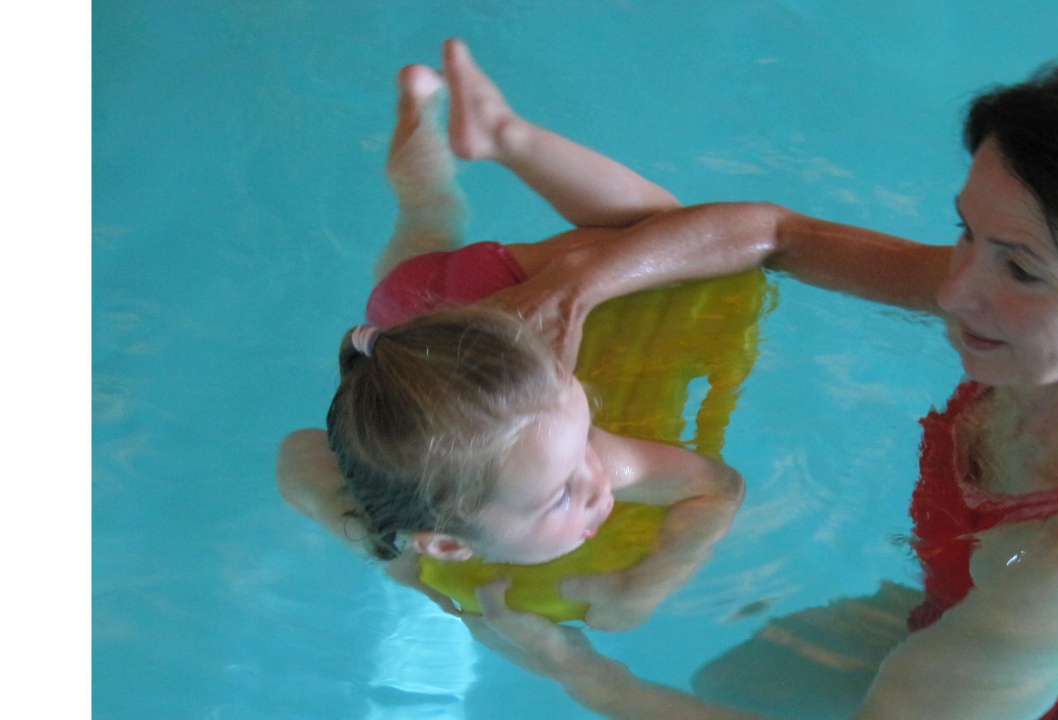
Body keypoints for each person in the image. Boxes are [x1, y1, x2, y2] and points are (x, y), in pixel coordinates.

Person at [464, 59, 1058, 720]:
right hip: (967, 627)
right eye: (966, 232)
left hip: (1036, 690)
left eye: (1021, 269)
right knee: (734, 680)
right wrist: (575, 289)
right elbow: (780, 235)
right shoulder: (1051, 332)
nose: (955, 290)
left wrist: (581, 675)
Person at [275, 40, 753, 632]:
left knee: (666, 230)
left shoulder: (589, 462)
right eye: (561, 495)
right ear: (445, 545)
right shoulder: (529, 467)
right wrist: (403, 568)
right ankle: (439, 114)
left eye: (583, 444)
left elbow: (717, 489)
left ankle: (474, 126)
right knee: (430, 213)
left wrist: (643, 587)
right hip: (410, 307)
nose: (598, 484)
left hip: (442, 303)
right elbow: (297, 457)